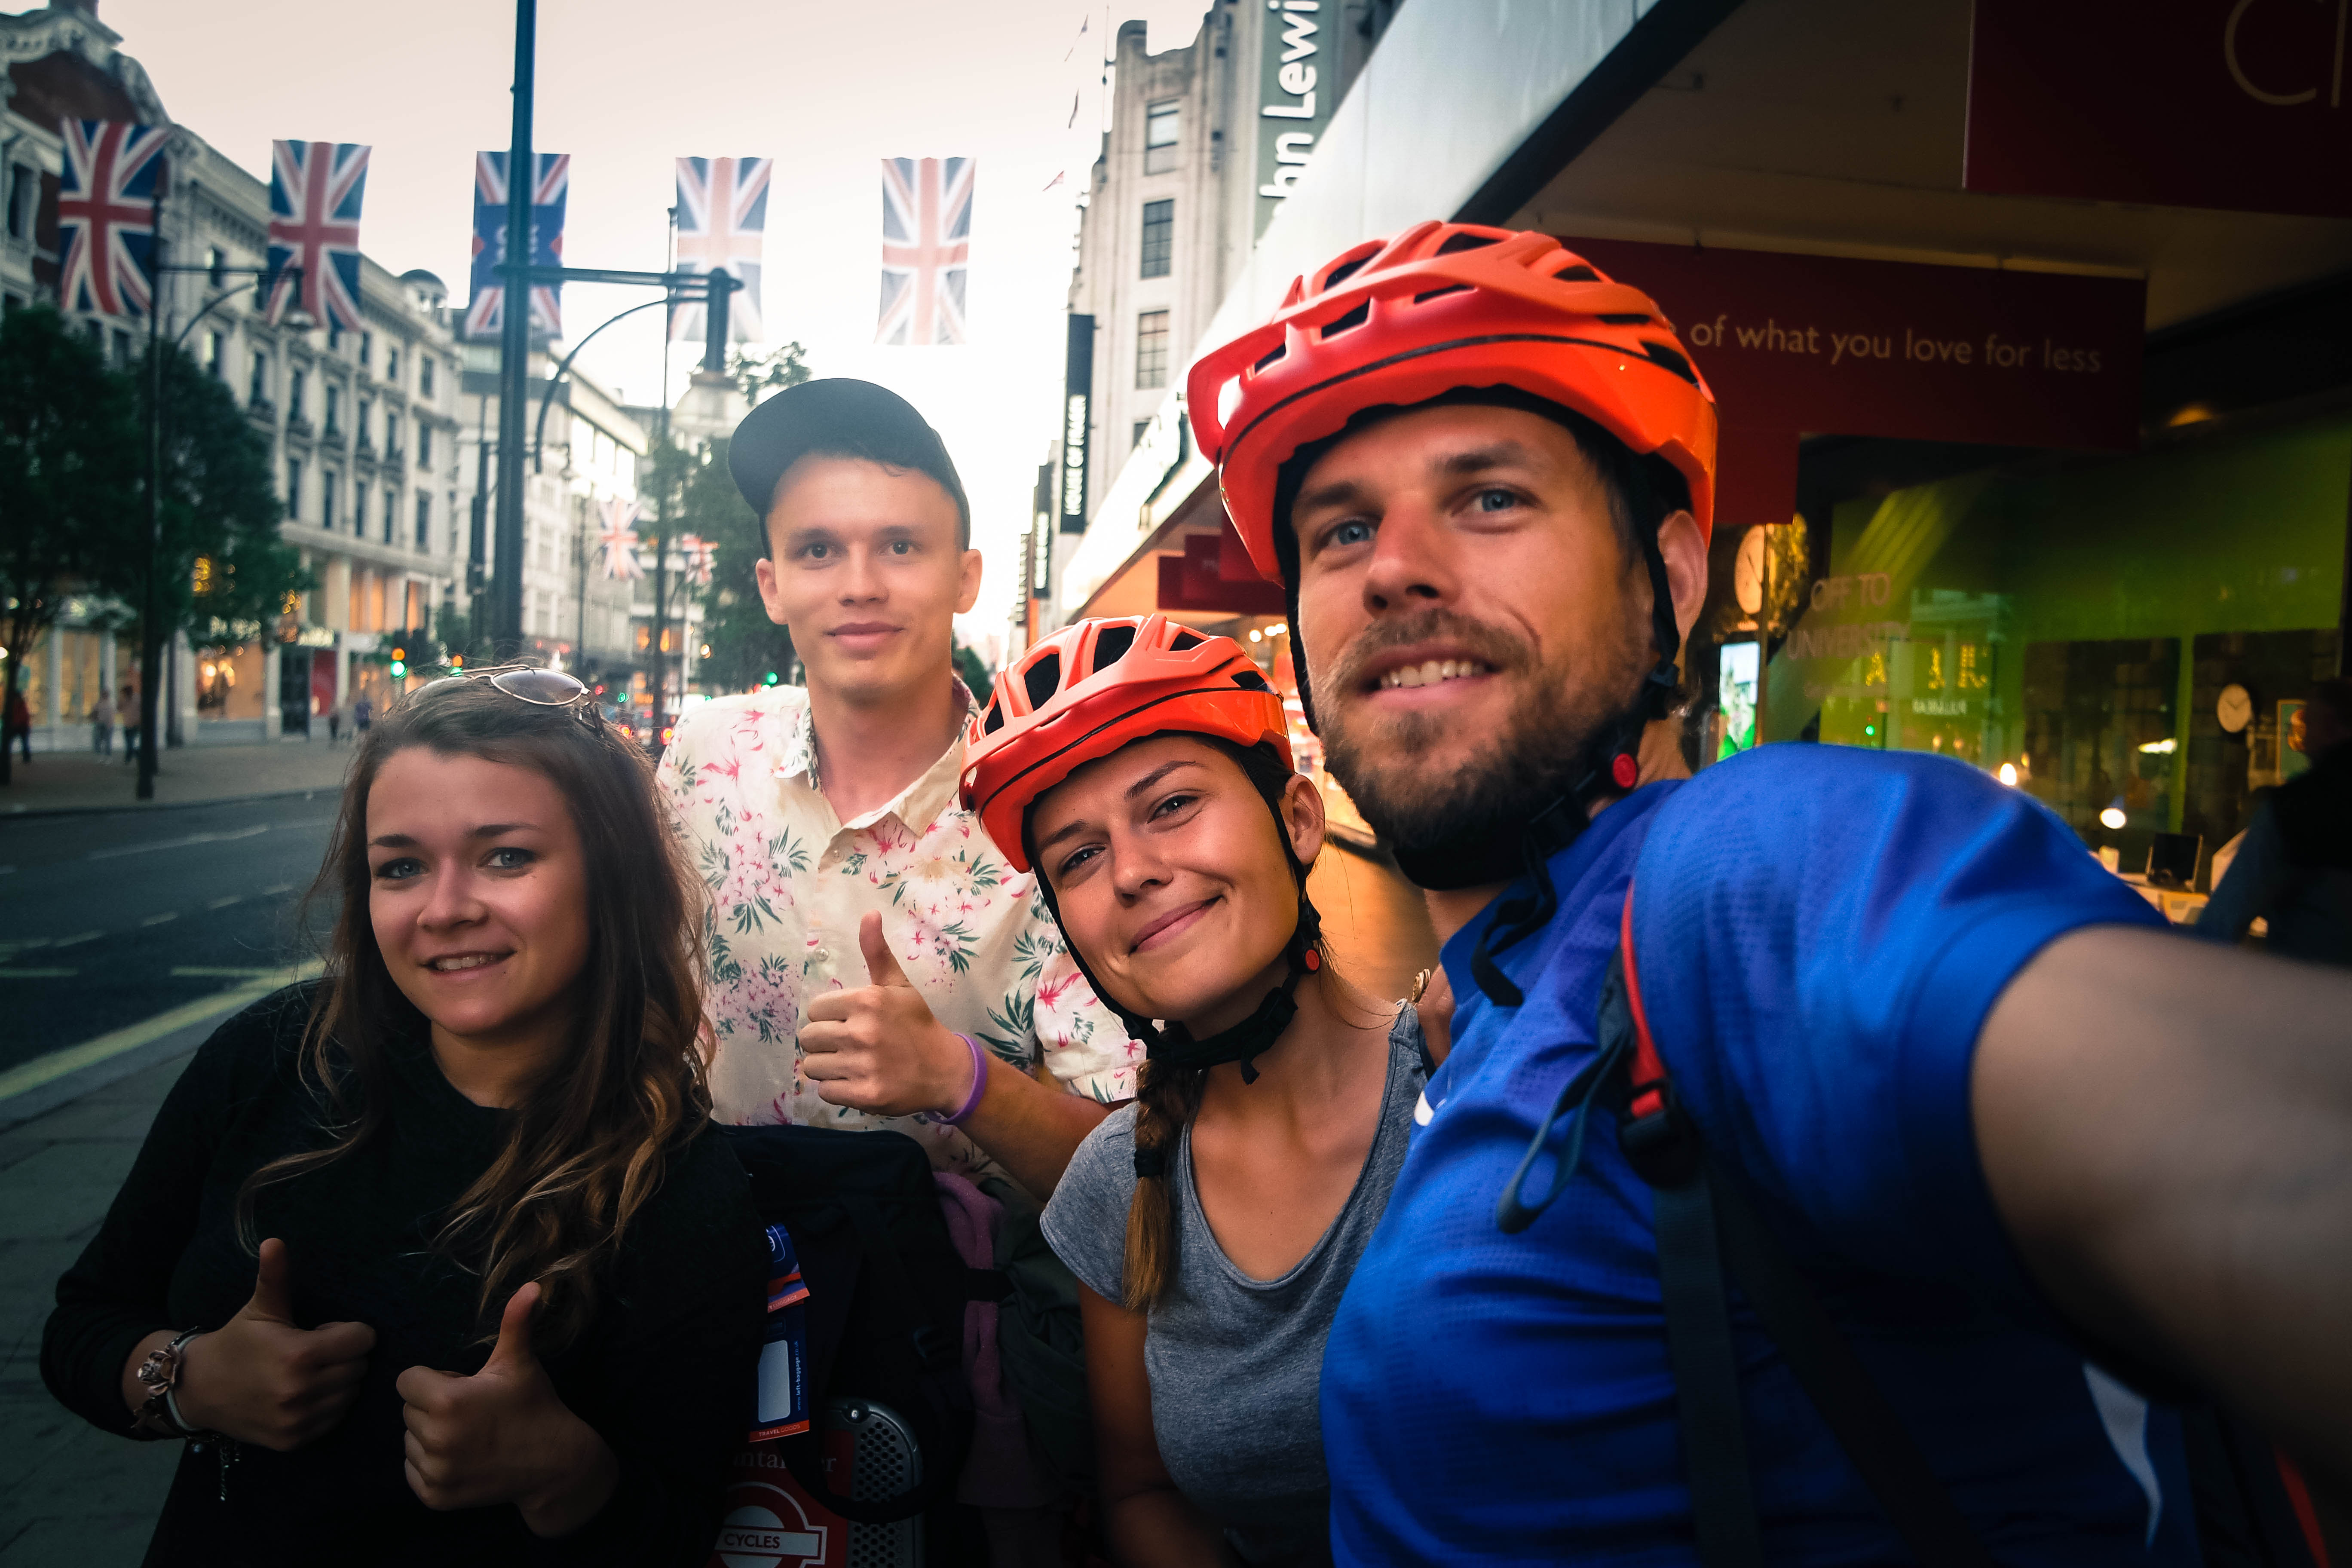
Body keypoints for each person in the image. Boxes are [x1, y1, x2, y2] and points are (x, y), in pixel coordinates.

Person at [1180, 223, 2352, 1562]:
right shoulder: (1504, 1001)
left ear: (1672, 580)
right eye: (1342, 529)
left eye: (1490, 495)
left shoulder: (1742, 868)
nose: (1392, 565)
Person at [43, 666, 767, 1567]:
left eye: (507, 856)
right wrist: (186, 1381)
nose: (445, 909)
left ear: (609, 876)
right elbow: (82, 1324)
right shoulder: (273, 1057)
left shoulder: (680, 1185)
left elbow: (689, 1532)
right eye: (402, 867)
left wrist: (563, 1474)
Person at [958, 615, 1424, 1568]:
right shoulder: (1118, 1181)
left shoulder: (1462, 1081)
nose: (1132, 872)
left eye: (1170, 805)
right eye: (1079, 858)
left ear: (1299, 819)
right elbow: (1143, 1492)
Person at [655, 378, 1127, 1200]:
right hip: (701, 1290)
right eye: (817, 550)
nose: (860, 584)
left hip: (948, 1312)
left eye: (901, 546)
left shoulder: (1051, 820)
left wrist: (960, 1078)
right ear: (771, 584)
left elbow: (1138, 1180)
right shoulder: (703, 757)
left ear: (966, 577)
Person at [2199, 678, 2352, 966]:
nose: (2302, 740)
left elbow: (2223, 919)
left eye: (2308, 724)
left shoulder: (2297, 809)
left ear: (2330, 726)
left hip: (2305, 993)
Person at [6, 684, 31, 764]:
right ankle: (26, 759)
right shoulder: (21, 704)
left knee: (21, 742)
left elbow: (21, 716)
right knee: (24, 743)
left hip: (19, 726)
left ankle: (26, 758)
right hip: (22, 726)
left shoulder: (17, 704)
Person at [93, 684, 116, 756]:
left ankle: (108, 755)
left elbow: (112, 715)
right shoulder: (99, 704)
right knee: (99, 740)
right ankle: (100, 754)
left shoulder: (111, 704)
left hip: (109, 725)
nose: (105, 696)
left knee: (108, 741)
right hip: (100, 724)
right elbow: (94, 712)